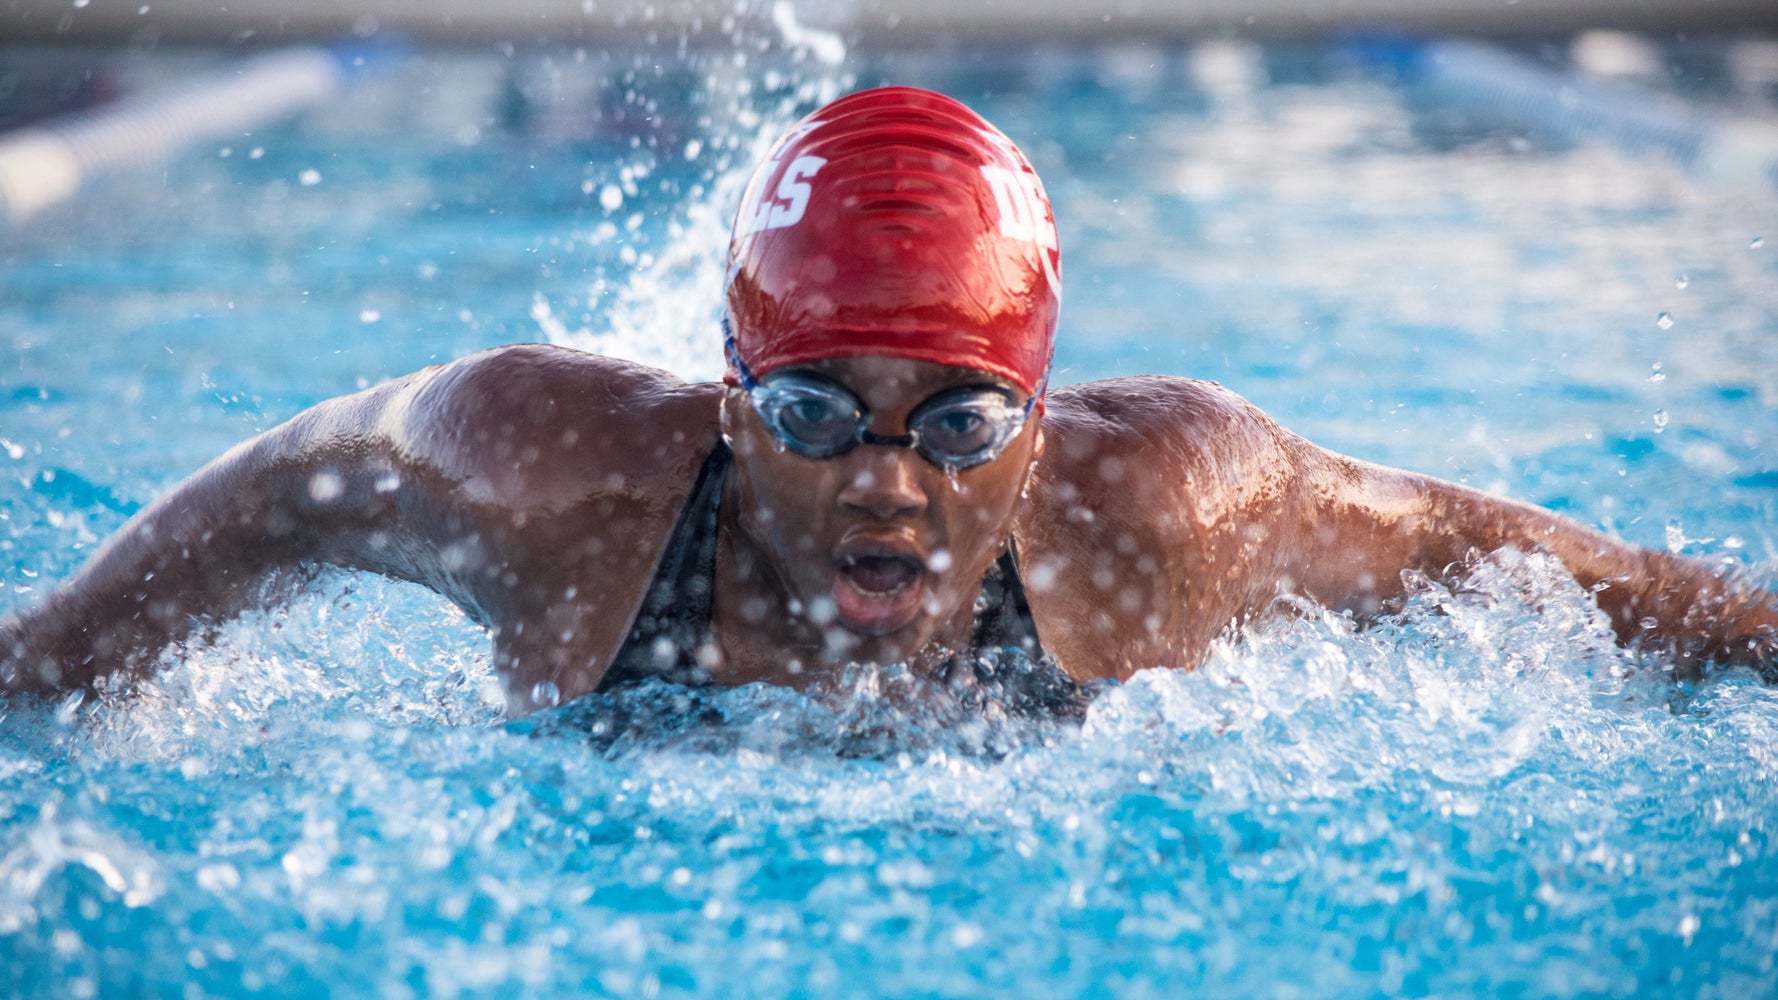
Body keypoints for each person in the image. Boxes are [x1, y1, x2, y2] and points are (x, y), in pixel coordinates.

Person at [1, 86, 1773, 715]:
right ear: (727, 395)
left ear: (1038, 417)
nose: (885, 486)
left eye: (955, 424)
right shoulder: (544, 473)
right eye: (816, 414)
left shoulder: (1155, 511)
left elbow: (1506, 554)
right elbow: (270, 490)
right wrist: (52, 656)